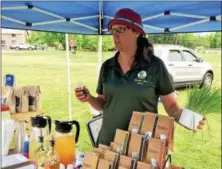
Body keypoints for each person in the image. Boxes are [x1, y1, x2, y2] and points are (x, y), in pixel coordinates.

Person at [74, 8, 205, 146]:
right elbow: (103, 103)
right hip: (108, 142)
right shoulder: (107, 66)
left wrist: (187, 118)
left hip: (140, 146)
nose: (115, 35)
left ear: (136, 32)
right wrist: (89, 98)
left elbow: (171, 105)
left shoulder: (155, 66)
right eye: (113, 30)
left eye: (121, 29)